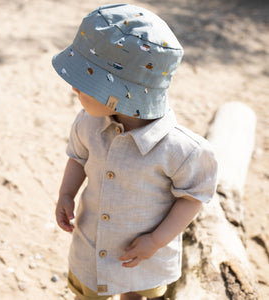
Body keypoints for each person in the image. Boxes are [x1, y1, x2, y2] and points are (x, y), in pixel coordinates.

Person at [52, 4, 217, 300]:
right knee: (88, 293)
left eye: (85, 83)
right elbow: (77, 157)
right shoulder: (89, 122)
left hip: (143, 254)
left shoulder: (180, 149)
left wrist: (156, 240)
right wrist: (66, 194)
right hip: (92, 245)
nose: (74, 89)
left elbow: (193, 197)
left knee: (138, 294)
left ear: (118, 94)